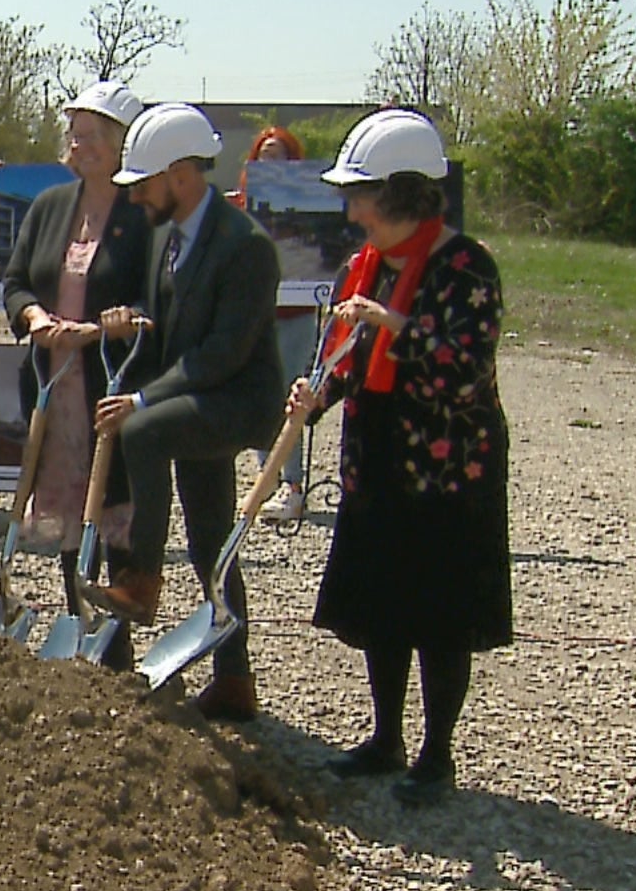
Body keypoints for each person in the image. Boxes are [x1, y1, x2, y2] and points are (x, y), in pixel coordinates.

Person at [295, 108, 511, 806]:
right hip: (377, 457)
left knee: (436, 613)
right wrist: (316, 393)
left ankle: (436, 756)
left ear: (402, 192)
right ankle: (385, 737)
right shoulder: (364, 267)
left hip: (446, 467)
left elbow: (465, 367)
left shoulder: (465, 266)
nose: (351, 207)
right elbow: (346, 356)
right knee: (383, 606)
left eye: (361, 192)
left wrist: (399, 326)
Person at [86, 103, 284, 721]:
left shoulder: (245, 246)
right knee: (211, 543)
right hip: (196, 402)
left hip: (237, 403)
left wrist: (144, 399)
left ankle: (142, 578)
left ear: (179, 175)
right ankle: (235, 680)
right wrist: (134, 322)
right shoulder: (167, 239)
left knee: (141, 431)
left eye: (144, 184)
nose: (138, 198)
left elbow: (223, 353)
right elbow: (170, 326)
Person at [1, 80, 151, 671]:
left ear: (120, 146)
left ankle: (117, 645)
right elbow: (16, 282)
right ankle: (77, 623)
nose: (76, 143)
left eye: (89, 135)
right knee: (67, 511)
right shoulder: (49, 207)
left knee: (113, 509)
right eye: (73, 132)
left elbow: (152, 297)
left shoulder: (141, 215)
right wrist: (34, 316)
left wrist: (110, 327)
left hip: (110, 378)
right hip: (53, 382)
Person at [236, 126, 319, 522]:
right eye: (265, 155)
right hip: (258, 313)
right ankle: (267, 477)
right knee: (259, 394)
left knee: (288, 395)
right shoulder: (239, 208)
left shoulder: (309, 206)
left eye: (280, 155)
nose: (272, 162)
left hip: (298, 314)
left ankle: (293, 485)